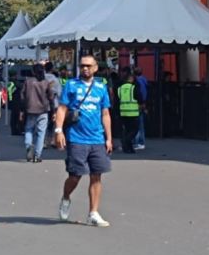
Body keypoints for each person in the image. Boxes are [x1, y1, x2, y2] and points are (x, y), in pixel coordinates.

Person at [55, 55, 113, 227]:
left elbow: (105, 114)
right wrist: (59, 131)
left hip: (97, 138)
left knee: (96, 176)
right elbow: (62, 109)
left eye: (88, 66)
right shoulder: (71, 85)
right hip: (76, 137)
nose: (85, 68)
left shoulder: (101, 88)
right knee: (75, 175)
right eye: (82, 66)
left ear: (95, 68)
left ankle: (93, 213)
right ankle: (66, 198)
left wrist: (108, 138)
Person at [21, 63, 54, 162]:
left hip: (30, 109)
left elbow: (22, 96)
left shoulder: (28, 81)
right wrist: (53, 110)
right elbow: (51, 97)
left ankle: (28, 146)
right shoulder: (46, 82)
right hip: (43, 110)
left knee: (29, 129)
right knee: (41, 133)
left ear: (33, 71)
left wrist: (22, 110)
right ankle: (37, 155)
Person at [117, 70, 142, 154]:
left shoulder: (120, 88)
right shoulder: (133, 88)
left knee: (127, 130)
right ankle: (126, 142)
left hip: (123, 113)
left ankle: (129, 148)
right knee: (135, 130)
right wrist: (142, 105)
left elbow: (117, 100)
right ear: (131, 79)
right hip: (133, 113)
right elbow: (140, 98)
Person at [43, 61, 61, 148]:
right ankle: (53, 140)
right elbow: (59, 93)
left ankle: (44, 141)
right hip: (54, 103)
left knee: (43, 123)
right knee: (54, 122)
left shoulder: (41, 78)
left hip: (42, 103)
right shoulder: (55, 80)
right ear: (52, 69)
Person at [133, 66, 148, 150]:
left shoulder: (138, 82)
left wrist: (141, 102)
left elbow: (141, 93)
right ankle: (140, 141)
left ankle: (139, 142)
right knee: (140, 123)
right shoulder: (144, 80)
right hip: (142, 103)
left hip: (138, 104)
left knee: (138, 124)